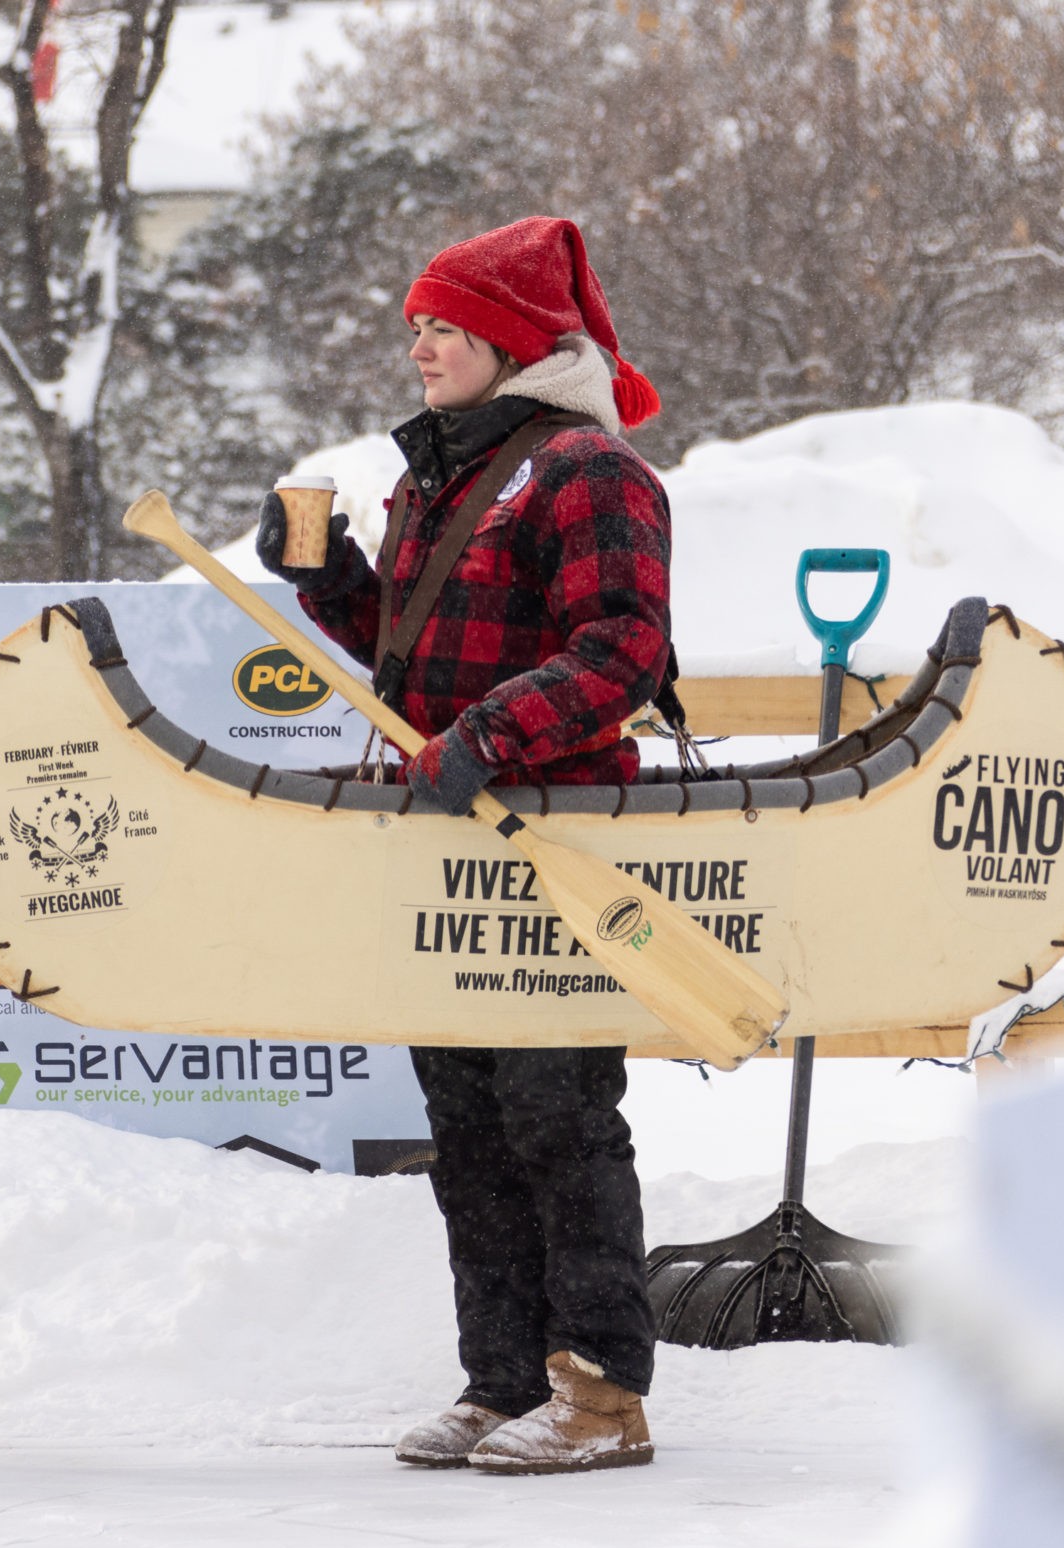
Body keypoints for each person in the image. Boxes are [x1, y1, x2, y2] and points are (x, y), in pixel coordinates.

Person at [254, 218, 670, 1474]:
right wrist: (330, 581)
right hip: (448, 849)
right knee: (470, 1123)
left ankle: (600, 1392)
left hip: (554, 840)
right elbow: (414, 650)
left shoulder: (591, 473)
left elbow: (620, 652)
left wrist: (489, 732)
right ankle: (500, 1380)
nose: (419, 347)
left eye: (439, 326)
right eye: (416, 328)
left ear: (509, 340)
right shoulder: (435, 474)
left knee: (559, 1117)